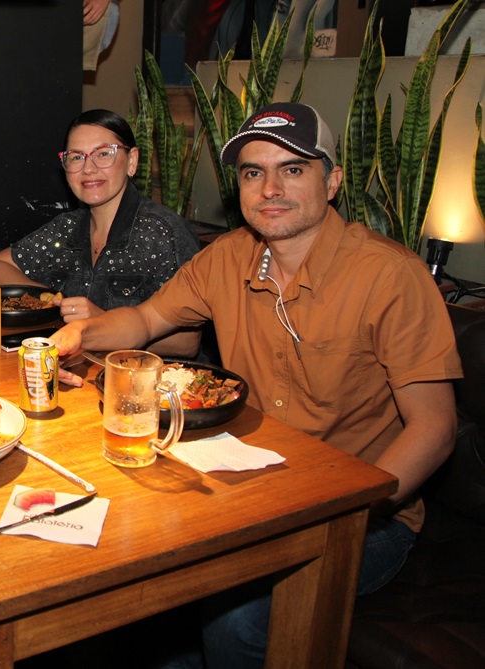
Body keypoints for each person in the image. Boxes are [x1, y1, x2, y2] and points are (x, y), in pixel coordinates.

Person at [51, 102, 462, 666]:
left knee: (236, 621)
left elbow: (435, 428)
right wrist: (80, 333)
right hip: (253, 483)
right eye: (252, 172)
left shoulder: (390, 276)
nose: (270, 187)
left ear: (333, 180)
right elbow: (147, 321)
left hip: (367, 518)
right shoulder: (228, 258)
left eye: (292, 169)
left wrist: (349, 518)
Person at [0, 109, 201, 357]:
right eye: (76, 157)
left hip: (147, 383)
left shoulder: (163, 232)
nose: (88, 168)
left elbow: (187, 342)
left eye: (104, 154)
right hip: (77, 372)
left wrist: (101, 322)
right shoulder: (66, 228)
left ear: (132, 161)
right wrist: (55, 304)